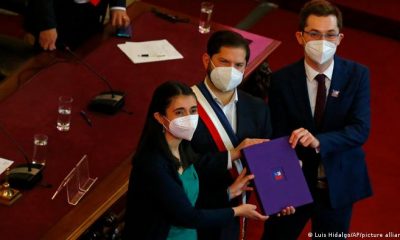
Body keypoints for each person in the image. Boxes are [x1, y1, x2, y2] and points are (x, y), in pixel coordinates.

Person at [264, 0, 373, 239]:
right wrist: (280, 191)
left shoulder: (358, 75)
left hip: (336, 185)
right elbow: (276, 135)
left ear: (340, 39)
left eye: (330, 35)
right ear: (300, 37)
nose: (323, 42)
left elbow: (360, 129)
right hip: (294, 183)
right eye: (314, 34)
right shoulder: (282, 80)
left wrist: (319, 141)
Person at [123, 81, 269, 240]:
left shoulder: (184, 147)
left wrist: (230, 192)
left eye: (193, 111)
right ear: (159, 117)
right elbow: (188, 216)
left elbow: (191, 199)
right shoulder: (152, 163)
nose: (189, 118)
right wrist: (237, 211)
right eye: (179, 112)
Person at [190, 30, 295, 240]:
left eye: (238, 65)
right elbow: (183, 165)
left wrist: (281, 195)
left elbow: (266, 156)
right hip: (198, 209)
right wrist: (232, 155)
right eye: (224, 62)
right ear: (206, 60)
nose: (231, 70)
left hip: (237, 213)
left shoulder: (257, 108)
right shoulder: (185, 106)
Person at [24, 0, 130, 50]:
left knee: (88, 50)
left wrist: (118, 6)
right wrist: (47, 25)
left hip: (92, 11)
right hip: (55, 13)